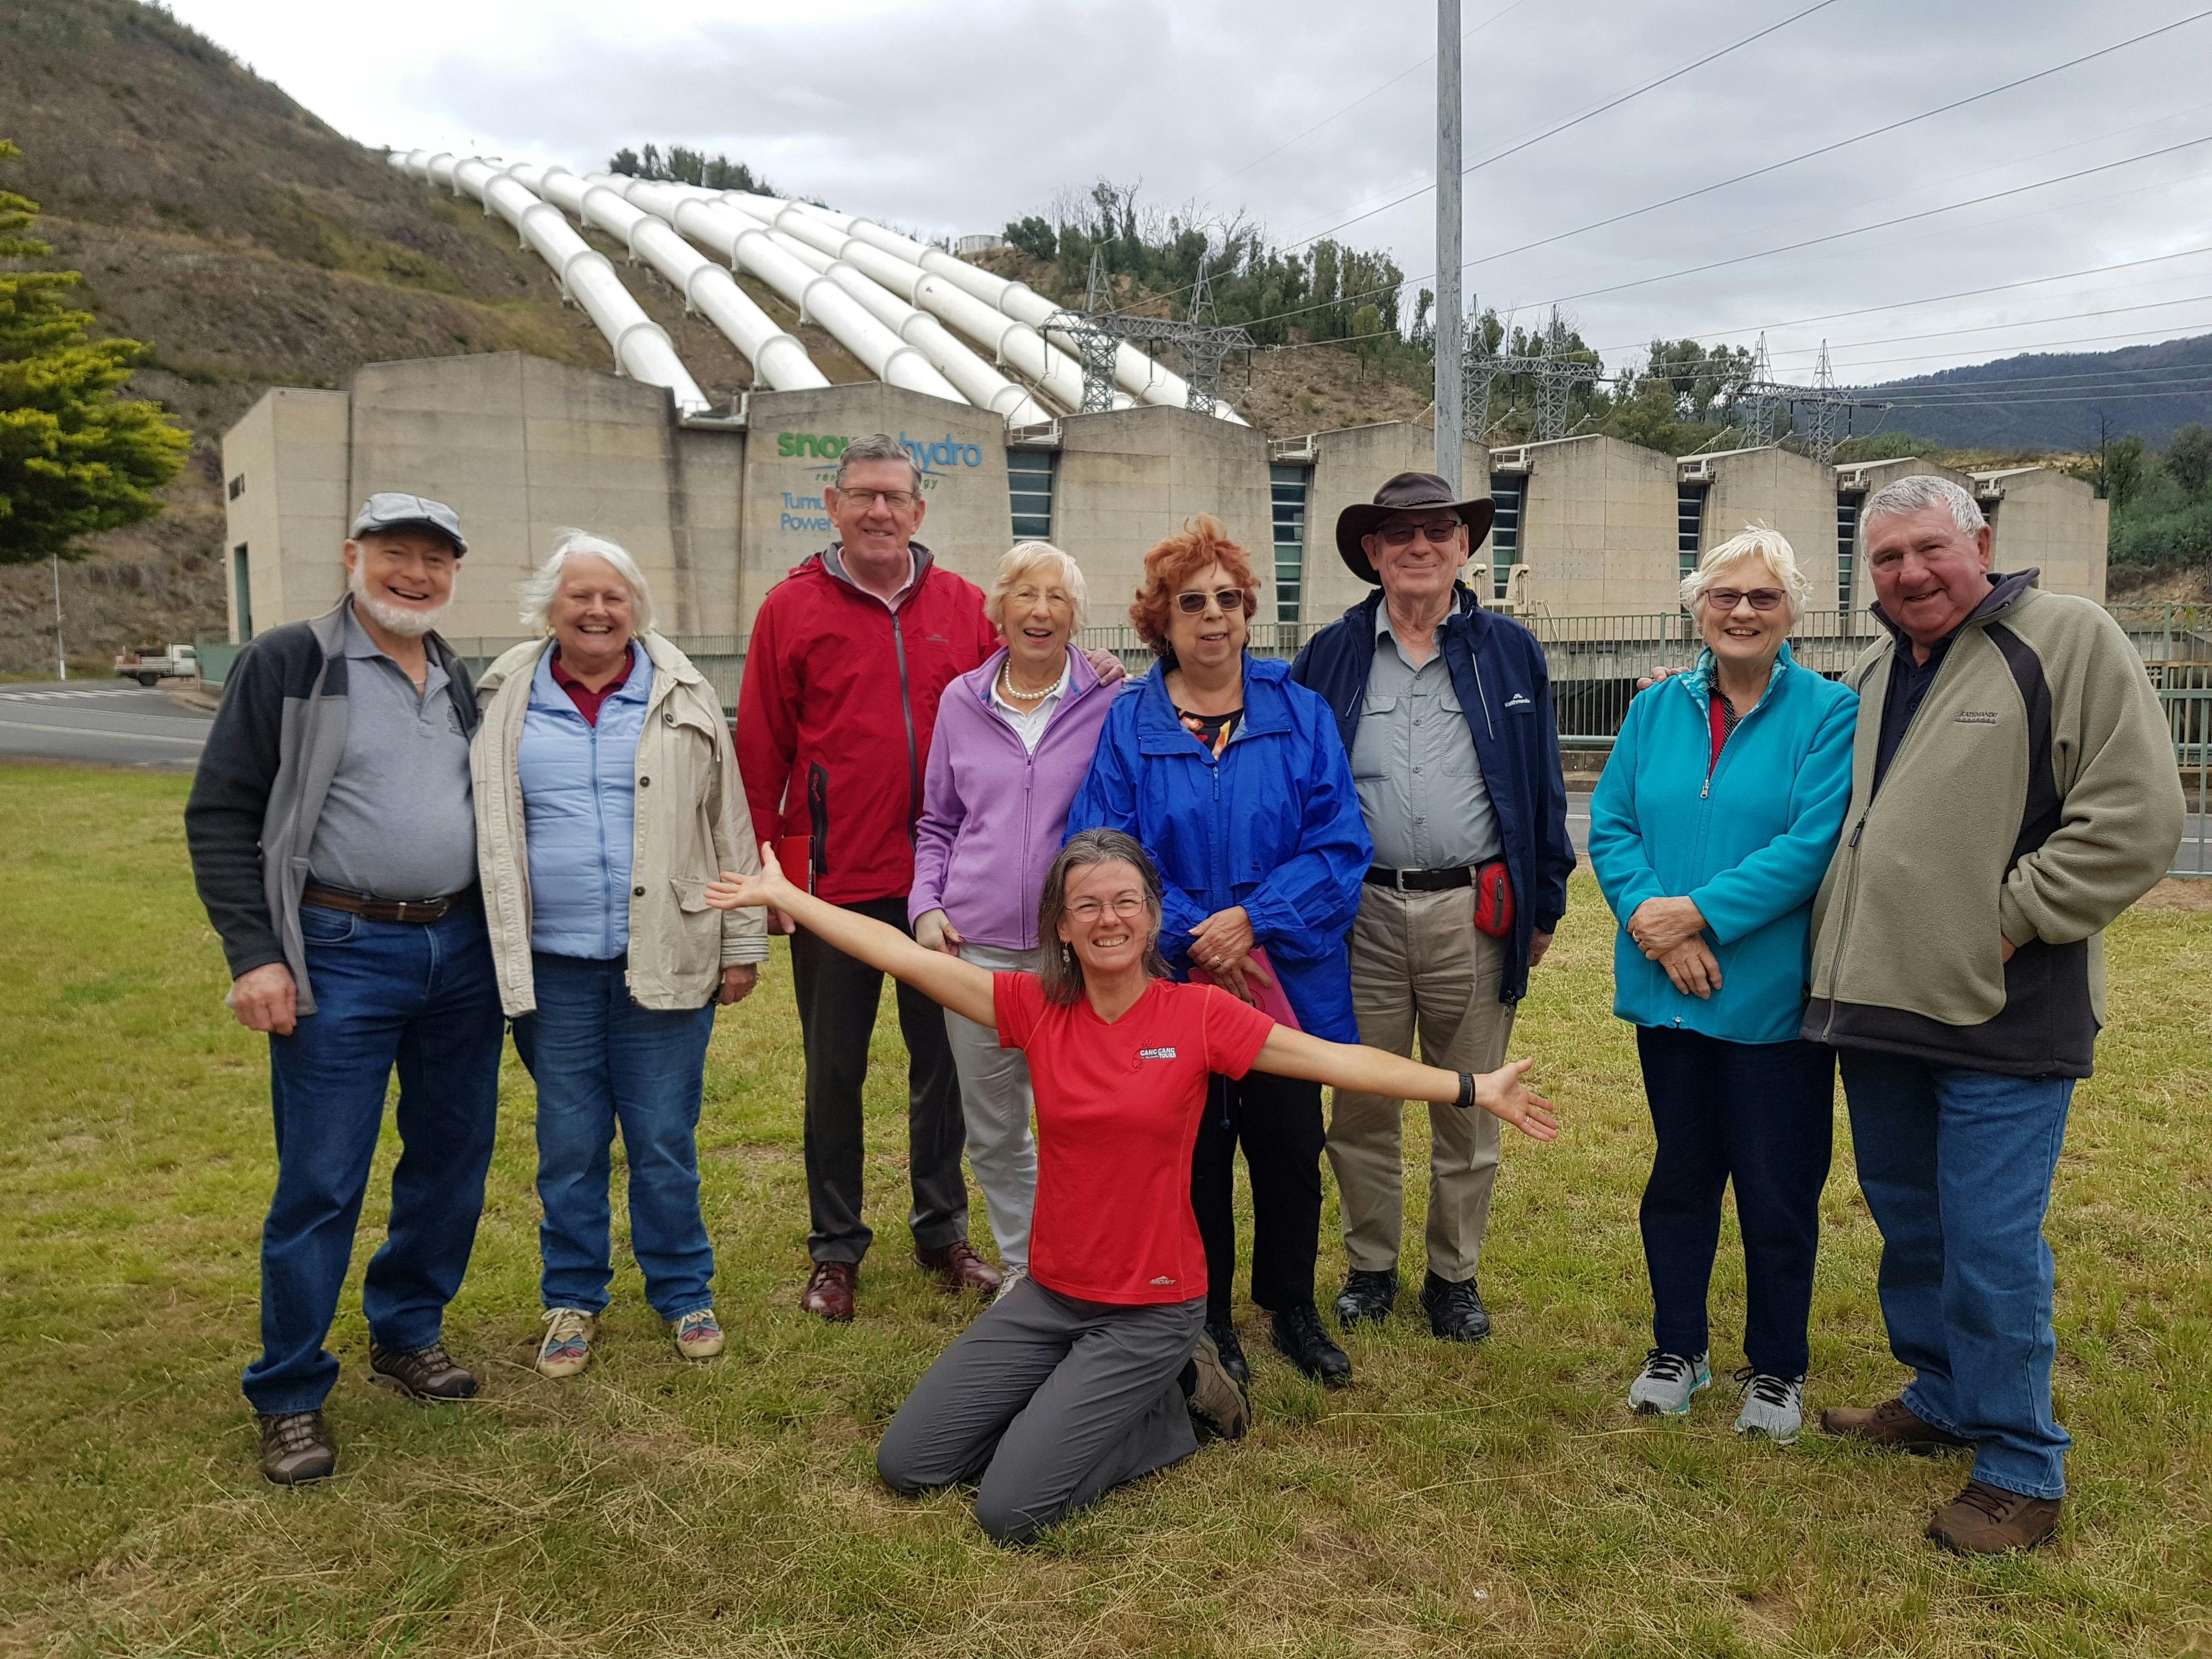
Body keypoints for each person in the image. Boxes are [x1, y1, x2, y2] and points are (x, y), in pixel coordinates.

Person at [702, 829, 1558, 1545]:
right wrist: (790, 895)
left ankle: (1181, 1404)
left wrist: (1473, 1088)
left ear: (1152, 919)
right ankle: (1075, 1405)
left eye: (1126, 903)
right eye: (1087, 906)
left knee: (1010, 1510)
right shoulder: (1035, 1006)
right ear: (1062, 929)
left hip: (1151, 1306)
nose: (1108, 919)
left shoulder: (1198, 1016)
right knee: (911, 1466)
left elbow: (1338, 1061)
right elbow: (895, 951)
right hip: (1048, 1296)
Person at [1799, 475, 2182, 1553]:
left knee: (1989, 1241)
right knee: (1913, 1224)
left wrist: (2011, 920)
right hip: (1880, 1008)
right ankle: (1942, 1393)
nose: (1910, 574)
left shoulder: (2066, 638)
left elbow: (2138, 817)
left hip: (2004, 1012)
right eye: (1885, 559)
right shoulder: (1880, 668)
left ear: (1983, 542)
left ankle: (2021, 1463)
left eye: (1929, 549)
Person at [184, 493, 504, 1485]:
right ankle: (288, 1391)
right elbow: (221, 815)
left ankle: (407, 1331)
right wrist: (255, 954)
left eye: (435, 561)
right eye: (397, 555)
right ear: (353, 556)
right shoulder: (289, 663)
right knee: (322, 1179)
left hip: (458, 952)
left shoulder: (454, 674)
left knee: (450, 1159)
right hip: (338, 947)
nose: (416, 575)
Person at [1066, 516, 1372, 1389]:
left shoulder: (1299, 714)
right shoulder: (1130, 727)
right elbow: (1103, 846)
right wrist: (1195, 932)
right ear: (1158, 620)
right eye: (1190, 603)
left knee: (1287, 1149)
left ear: (1248, 614)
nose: (1212, 618)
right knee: (1192, 1156)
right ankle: (1205, 1315)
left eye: (1227, 601)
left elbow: (1339, 842)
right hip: (1172, 982)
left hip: (1284, 978)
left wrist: (1256, 919)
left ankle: (1293, 1308)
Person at [471, 532, 769, 1378]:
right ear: (550, 609)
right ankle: (572, 1298)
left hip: (669, 954)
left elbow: (728, 821)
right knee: (567, 1142)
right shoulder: (506, 694)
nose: (597, 611)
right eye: (580, 597)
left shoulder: (685, 693)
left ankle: (683, 1291)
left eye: (613, 597)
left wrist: (742, 942)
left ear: (636, 608)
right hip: (552, 966)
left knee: (664, 1139)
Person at [1290, 471, 1577, 1345]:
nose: (1419, 547)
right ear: (1373, 554)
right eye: (1399, 535)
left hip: (1473, 913)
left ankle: (1453, 1277)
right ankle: (1370, 1267)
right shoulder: (1329, 654)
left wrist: (1544, 907)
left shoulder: (1510, 652)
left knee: (1471, 1103)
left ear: (1463, 547)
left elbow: (1542, 788)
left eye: (1437, 532)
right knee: (1361, 1104)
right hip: (1361, 914)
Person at [1588, 526, 1857, 1444]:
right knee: (1680, 1178)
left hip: (1768, 1000)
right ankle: (1679, 1347)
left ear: (1792, 613)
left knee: (1778, 1191)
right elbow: (1615, 825)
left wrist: (1695, 913)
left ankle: (1777, 1366)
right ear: (1699, 607)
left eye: (1763, 599)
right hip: (1671, 992)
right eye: (1725, 597)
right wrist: (1653, 925)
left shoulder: (1829, 714)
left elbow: (1811, 847)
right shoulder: (1655, 710)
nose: (1742, 612)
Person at [732, 432, 1006, 1319]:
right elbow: (761, 749)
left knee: (946, 1067)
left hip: (943, 885)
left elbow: (1025, 693)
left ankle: (942, 1230)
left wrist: (1102, 677)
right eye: (863, 496)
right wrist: (770, 877)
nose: (880, 511)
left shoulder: (965, 607)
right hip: (832, 883)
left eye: (895, 497)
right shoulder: (790, 609)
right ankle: (836, 1250)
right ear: (834, 504)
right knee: (834, 1071)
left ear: (919, 511)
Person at [910, 543, 1116, 1297]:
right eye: (1024, 595)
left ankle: (1089, 1265)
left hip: (1080, 953)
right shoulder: (962, 702)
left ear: (1076, 618)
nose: (1040, 611)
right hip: (979, 952)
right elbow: (938, 822)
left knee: (1082, 1123)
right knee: (996, 1128)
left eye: (1057, 598)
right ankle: (1030, 1274)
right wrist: (927, 907)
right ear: (997, 609)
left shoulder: (1110, 699)